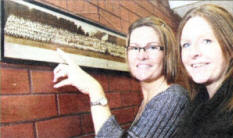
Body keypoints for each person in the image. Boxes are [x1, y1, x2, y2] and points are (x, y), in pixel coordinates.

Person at [53, 16, 189, 137]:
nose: (141, 55)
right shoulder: (151, 98)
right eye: (135, 48)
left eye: (152, 47)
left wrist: (94, 90)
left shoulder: (173, 97)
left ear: (167, 54)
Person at [172, 4, 233, 137]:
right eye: (186, 44)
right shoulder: (196, 106)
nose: (193, 52)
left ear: (230, 48)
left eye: (206, 41)